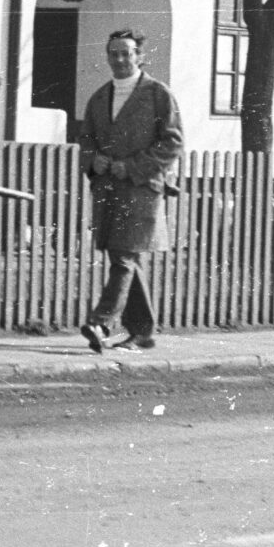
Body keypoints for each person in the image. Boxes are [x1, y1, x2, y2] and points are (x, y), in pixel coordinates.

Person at [76, 28, 183, 353]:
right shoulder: (99, 98)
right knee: (124, 257)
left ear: (139, 56)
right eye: (114, 53)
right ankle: (142, 332)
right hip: (109, 190)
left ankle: (101, 321)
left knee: (124, 257)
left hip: (142, 190)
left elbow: (173, 141)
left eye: (127, 53)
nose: (120, 59)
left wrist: (133, 166)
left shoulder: (157, 94)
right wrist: (97, 161)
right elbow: (86, 141)